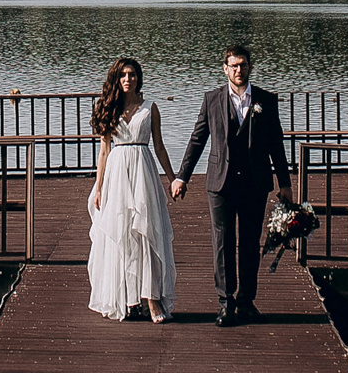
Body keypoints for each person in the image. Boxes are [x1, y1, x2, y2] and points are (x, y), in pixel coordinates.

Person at [170, 41, 293, 327]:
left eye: (243, 65)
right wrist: (182, 176)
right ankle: (226, 303)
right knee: (223, 243)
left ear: (250, 67)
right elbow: (198, 139)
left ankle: (247, 302)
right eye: (234, 66)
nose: (239, 70)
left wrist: (284, 183)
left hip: (255, 182)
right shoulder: (212, 99)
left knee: (250, 243)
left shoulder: (266, 100)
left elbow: (276, 144)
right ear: (225, 69)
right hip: (220, 183)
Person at [86, 56, 179, 323]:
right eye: (124, 75)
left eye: (133, 74)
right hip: (117, 172)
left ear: (139, 78)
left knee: (145, 231)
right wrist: (99, 187)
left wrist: (172, 178)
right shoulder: (109, 108)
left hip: (143, 170)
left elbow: (159, 146)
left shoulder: (150, 108)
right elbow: (104, 151)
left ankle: (152, 299)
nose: (129, 79)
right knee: (122, 232)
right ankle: (127, 298)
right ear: (117, 79)